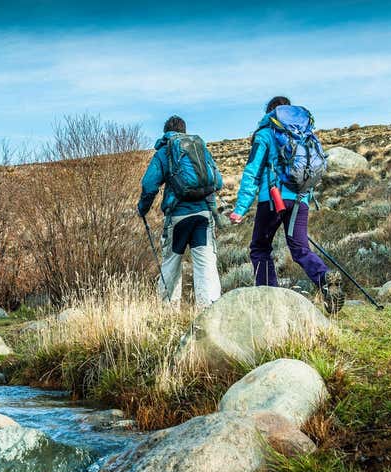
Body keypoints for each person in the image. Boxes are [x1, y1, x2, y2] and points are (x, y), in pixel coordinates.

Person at [229, 96, 344, 312]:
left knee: (260, 248)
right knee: (300, 248)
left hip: (273, 199)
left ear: (270, 113)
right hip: (300, 200)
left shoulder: (265, 133)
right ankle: (325, 278)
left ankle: (269, 300)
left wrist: (240, 209)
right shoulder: (305, 133)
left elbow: (252, 172)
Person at [138, 115, 223, 309]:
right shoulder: (199, 148)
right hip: (203, 214)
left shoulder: (164, 151)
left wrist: (143, 208)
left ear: (165, 132)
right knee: (205, 264)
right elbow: (217, 181)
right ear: (184, 131)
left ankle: (168, 311)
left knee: (172, 263)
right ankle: (209, 309)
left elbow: (149, 185)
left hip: (178, 216)